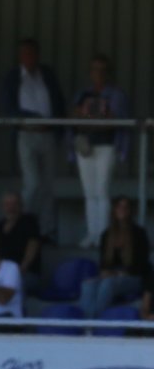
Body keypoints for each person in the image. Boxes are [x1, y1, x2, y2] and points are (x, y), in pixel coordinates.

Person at [0, 38, 65, 239]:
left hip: (48, 134)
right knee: (33, 183)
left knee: (49, 185)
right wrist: (33, 118)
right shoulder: (13, 77)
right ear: (20, 56)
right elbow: (8, 107)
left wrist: (58, 125)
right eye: (25, 53)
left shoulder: (47, 74)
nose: (29, 57)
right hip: (26, 133)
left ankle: (47, 230)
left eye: (32, 53)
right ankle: (23, 225)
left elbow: (58, 101)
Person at [70, 55, 132, 248]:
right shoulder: (83, 93)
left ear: (108, 72)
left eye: (103, 70)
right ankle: (92, 233)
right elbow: (74, 116)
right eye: (95, 69)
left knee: (102, 190)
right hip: (85, 146)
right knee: (89, 192)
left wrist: (90, 117)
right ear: (90, 72)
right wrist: (96, 116)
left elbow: (114, 118)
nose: (99, 73)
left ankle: (103, 235)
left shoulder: (116, 94)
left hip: (106, 146)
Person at [80, 196, 150, 319]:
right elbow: (103, 263)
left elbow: (143, 264)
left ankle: (96, 321)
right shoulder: (106, 234)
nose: (121, 209)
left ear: (130, 211)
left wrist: (117, 273)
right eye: (118, 206)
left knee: (108, 284)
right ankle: (85, 323)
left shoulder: (139, 233)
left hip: (133, 277)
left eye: (125, 207)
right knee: (88, 285)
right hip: (112, 275)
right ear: (114, 210)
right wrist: (105, 273)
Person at [0, 192, 44, 296]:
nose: (11, 207)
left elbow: (32, 248)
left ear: (21, 206)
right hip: (1, 274)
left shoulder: (30, 222)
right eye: (8, 204)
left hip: (26, 274)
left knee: (12, 286)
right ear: (3, 206)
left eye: (15, 204)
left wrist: (18, 272)